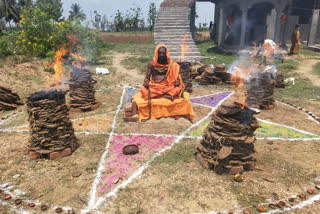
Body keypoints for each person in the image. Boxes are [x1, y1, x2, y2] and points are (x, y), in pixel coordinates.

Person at [132, 44, 194, 121]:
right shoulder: (151, 63)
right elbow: (147, 77)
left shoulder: (170, 64)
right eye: (160, 53)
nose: (161, 55)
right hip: (155, 86)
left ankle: (161, 95)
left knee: (177, 89)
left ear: (166, 54)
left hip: (167, 86)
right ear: (156, 53)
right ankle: (165, 96)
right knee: (143, 90)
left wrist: (177, 82)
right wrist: (146, 82)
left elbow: (176, 76)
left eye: (163, 53)